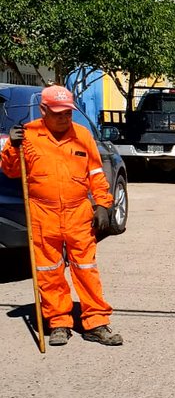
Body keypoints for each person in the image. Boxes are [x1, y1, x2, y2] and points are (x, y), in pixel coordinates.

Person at [1, 85, 123, 347]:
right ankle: (59, 322)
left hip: (78, 212)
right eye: (57, 113)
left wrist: (102, 204)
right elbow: (11, 171)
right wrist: (13, 145)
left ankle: (96, 322)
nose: (63, 118)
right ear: (43, 110)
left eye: (67, 112)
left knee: (86, 269)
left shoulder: (82, 135)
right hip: (42, 214)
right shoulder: (28, 135)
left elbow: (95, 173)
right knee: (49, 272)